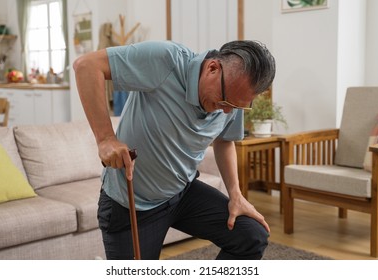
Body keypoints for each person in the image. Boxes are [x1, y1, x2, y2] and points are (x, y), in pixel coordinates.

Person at [73, 39, 276, 260]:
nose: (227, 111)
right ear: (212, 68)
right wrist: (105, 138)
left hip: (182, 194)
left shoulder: (232, 99)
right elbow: (86, 66)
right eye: (225, 101)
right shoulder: (166, 60)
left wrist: (235, 194)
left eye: (236, 106)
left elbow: (225, 141)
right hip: (131, 204)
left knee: (251, 236)